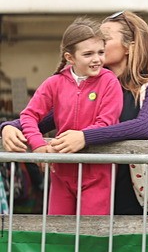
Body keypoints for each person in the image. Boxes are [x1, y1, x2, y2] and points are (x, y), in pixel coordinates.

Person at [3, 11, 148, 216]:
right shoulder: (90, 86)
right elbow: (44, 118)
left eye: (105, 38)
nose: (96, 41)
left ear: (131, 45)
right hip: (89, 186)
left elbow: (143, 126)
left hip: (132, 194)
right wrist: (9, 127)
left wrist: (84, 137)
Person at [17, 18, 123, 215]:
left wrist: (78, 138)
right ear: (70, 57)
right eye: (88, 54)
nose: (97, 59)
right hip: (61, 173)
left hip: (97, 172)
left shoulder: (110, 82)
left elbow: (106, 123)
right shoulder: (54, 82)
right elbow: (29, 115)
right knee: (58, 233)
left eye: (101, 52)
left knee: (91, 236)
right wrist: (38, 145)